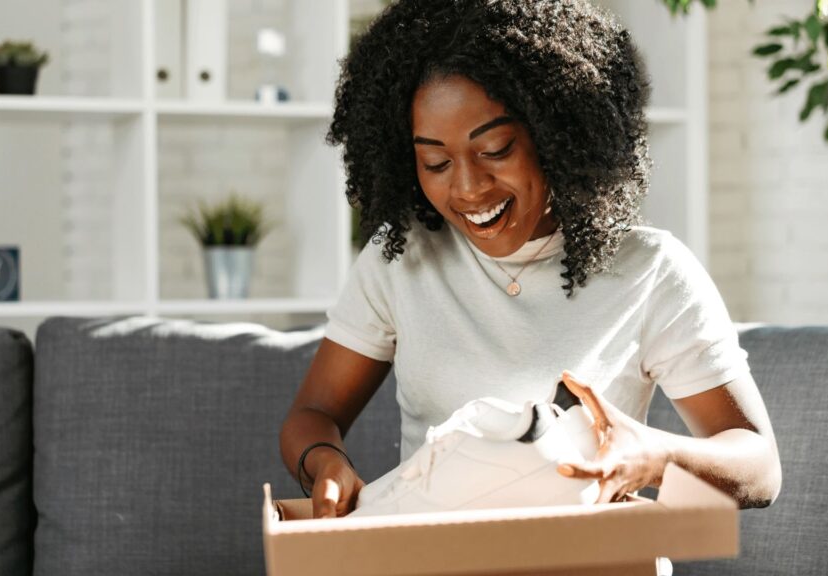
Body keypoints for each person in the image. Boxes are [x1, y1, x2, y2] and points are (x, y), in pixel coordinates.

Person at [279, 0, 782, 519]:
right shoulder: (402, 259)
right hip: (435, 551)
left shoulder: (651, 271)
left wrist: (653, 456)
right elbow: (313, 413)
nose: (468, 187)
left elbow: (760, 467)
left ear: (555, 134)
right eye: (436, 161)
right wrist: (326, 462)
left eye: (496, 149)